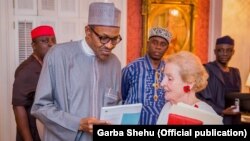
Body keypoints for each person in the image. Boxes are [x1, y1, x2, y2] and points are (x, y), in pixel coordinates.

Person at [31, 2, 122, 141]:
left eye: (115, 39)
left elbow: (116, 106)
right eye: (103, 38)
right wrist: (78, 124)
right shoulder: (58, 55)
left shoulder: (114, 63)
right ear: (88, 31)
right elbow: (40, 107)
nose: (109, 45)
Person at [12, 25, 56, 141]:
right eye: (44, 41)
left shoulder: (50, 65)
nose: (51, 44)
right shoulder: (26, 70)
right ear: (34, 45)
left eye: (53, 40)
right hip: (32, 133)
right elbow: (18, 108)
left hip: (47, 131)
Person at [121, 27, 172, 125]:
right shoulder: (132, 67)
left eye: (163, 44)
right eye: (154, 42)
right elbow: (121, 96)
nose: (158, 47)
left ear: (167, 48)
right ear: (148, 44)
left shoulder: (169, 70)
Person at [157, 51, 223, 124]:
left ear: (190, 82)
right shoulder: (167, 106)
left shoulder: (206, 116)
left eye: (170, 78)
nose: (162, 83)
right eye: (163, 77)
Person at [196, 35, 241, 124]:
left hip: (234, 120)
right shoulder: (206, 69)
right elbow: (199, 97)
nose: (224, 53)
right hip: (215, 118)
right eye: (220, 50)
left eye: (228, 50)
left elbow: (238, 98)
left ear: (233, 52)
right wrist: (222, 111)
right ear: (215, 52)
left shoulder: (235, 72)